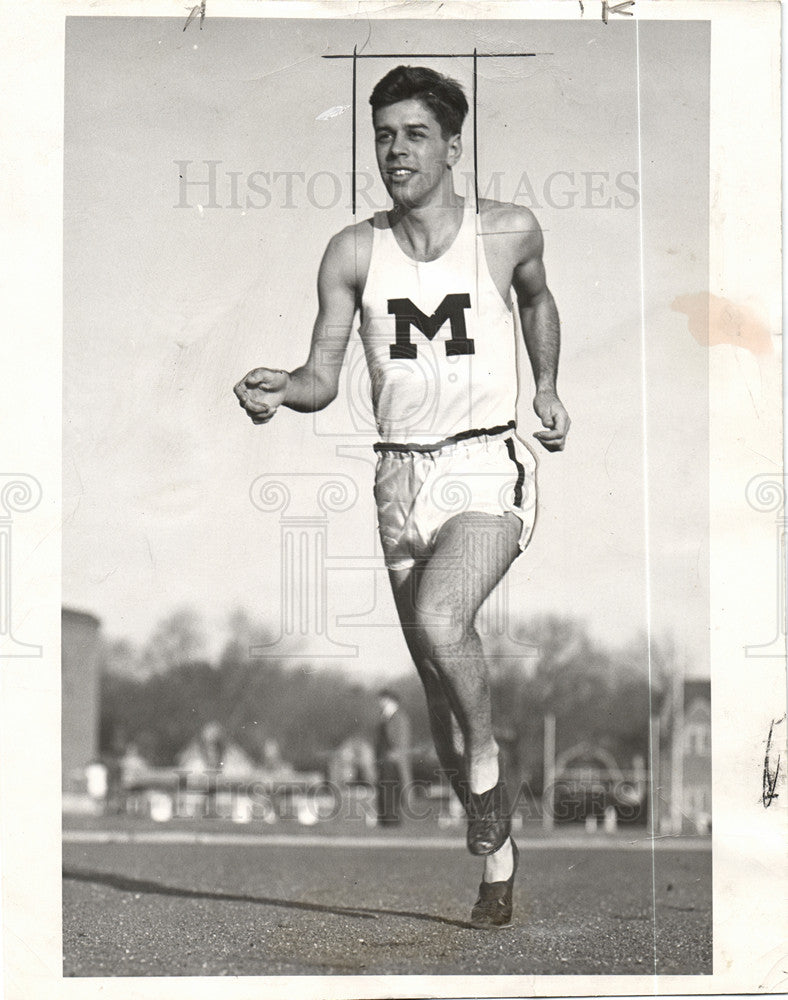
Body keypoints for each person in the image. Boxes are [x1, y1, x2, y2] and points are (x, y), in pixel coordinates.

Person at [234, 65, 570, 928]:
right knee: (438, 693)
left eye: (414, 134)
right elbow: (322, 374)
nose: (395, 151)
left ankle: (492, 772)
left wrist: (550, 387)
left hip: (485, 462)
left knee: (440, 620)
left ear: (452, 146)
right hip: (396, 473)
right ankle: (498, 860)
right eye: (383, 135)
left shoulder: (507, 232)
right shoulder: (353, 251)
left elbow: (538, 300)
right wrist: (282, 388)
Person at [374, 688, 412, 826]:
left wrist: (394, 755)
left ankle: (392, 821)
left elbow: (402, 740)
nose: (381, 703)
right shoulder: (385, 717)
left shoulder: (399, 717)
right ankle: (385, 821)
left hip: (394, 761)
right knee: (385, 790)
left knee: (392, 791)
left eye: (383, 700)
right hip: (384, 759)